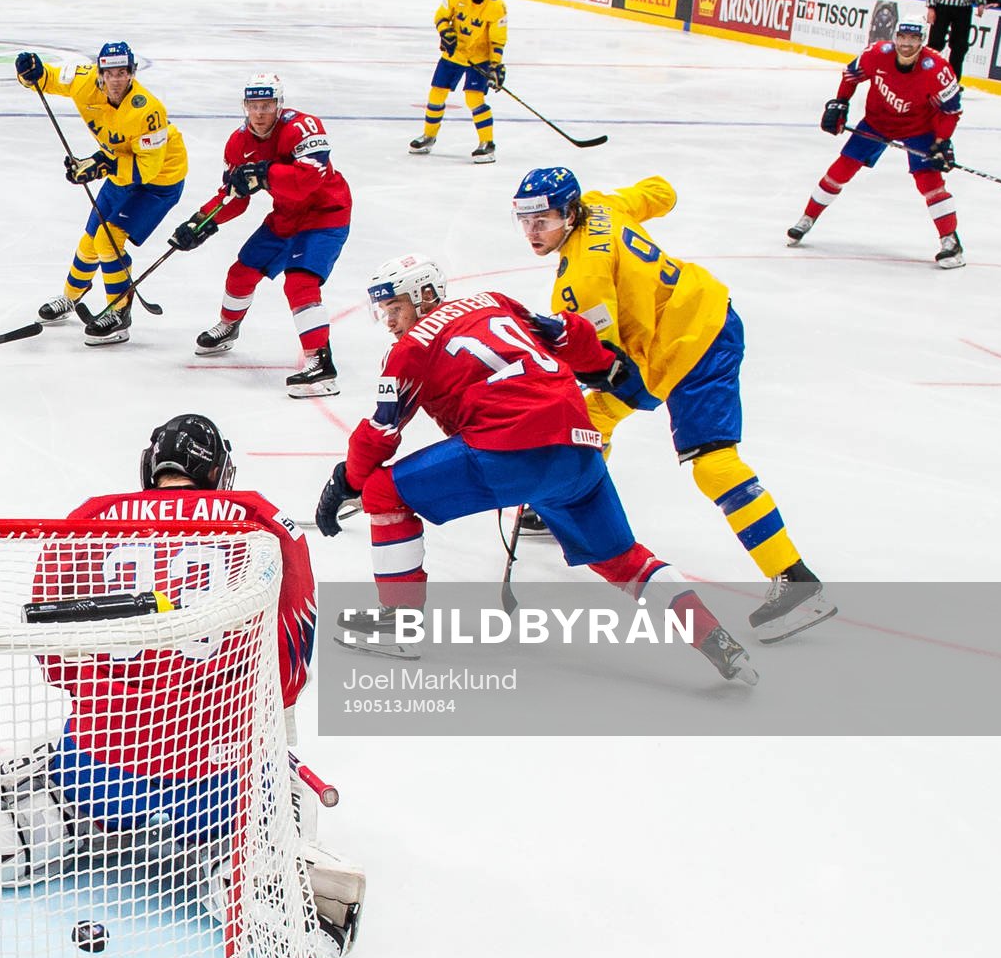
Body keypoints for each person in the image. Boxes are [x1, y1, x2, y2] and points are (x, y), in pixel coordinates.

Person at [0, 413, 364, 958]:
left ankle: (0, 834)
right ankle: (259, 874)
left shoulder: (91, 520)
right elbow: (290, 658)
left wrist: (113, 706)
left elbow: (53, 656)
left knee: (66, 777)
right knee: (275, 791)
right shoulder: (266, 525)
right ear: (218, 472)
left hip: (99, 767)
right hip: (217, 776)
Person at [313, 254, 755, 683]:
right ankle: (716, 639)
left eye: (395, 307)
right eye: (384, 310)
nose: (389, 321)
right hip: (580, 448)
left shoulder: (410, 350)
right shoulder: (494, 301)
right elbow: (566, 331)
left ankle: (397, 625)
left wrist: (345, 482)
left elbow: (381, 433)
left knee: (384, 491)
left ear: (425, 295)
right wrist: (603, 366)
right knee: (624, 560)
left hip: (507, 450)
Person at [515, 168, 836, 644]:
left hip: (691, 345)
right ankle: (565, 500)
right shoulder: (603, 204)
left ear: (570, 213)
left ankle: (795, 578)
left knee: (713, 464)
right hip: (689, 322)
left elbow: (604, 362)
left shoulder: (581, 280)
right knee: (592, 417)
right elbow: (661, 192)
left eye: (543, 220)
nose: (533, 232)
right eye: (525, 221)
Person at [177, 73, 352, 398]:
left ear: (279, 105)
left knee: (299, 283)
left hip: (325, 214)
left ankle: (321, 363)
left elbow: (306, 182)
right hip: (286, 217)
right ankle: (228, 327)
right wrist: (200, 222)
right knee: (241, 273)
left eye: (267, 105)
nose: (259, 113)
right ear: (245, 106)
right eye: (254, 105)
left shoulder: (304, 127)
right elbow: (234, 196)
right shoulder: (238, 143)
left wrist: (263, 172)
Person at [18, 41, 188, 345]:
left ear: (132, 73)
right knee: (90, 238)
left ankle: (119, 315)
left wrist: (100, 166)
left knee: (108, 240)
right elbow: (46, 79)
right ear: (100, 73)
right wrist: (30, 72)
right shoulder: (84, 82)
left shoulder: (148, 110)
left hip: (160, 179)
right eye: (110, 73)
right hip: (121, 168)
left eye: (122, 73)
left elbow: (147, 169)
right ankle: (71, 296)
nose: (116, 80)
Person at [788, 20, 966, 268]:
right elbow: (850, 76)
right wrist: (840, 103)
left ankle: (951, 242)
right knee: (841, 169)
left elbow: (950, 110)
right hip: (877, 122)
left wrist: (941, 142)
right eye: (902, 37)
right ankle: (807, 218)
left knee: (930, 183)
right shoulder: (876, 54)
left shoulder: (937, 69)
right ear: (895, 37)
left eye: (913, 39)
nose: (906, 44)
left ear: (922, 41)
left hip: (919, 128)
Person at [408, 0, 508, 164]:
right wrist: (445, 32)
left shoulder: (496, 5)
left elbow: (497, 40)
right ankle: (428, 136)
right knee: (436, 94)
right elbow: (441, 16)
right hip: (454, 54)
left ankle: (487, 143)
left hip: (479, 58)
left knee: (474, 98)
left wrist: (495, 65)